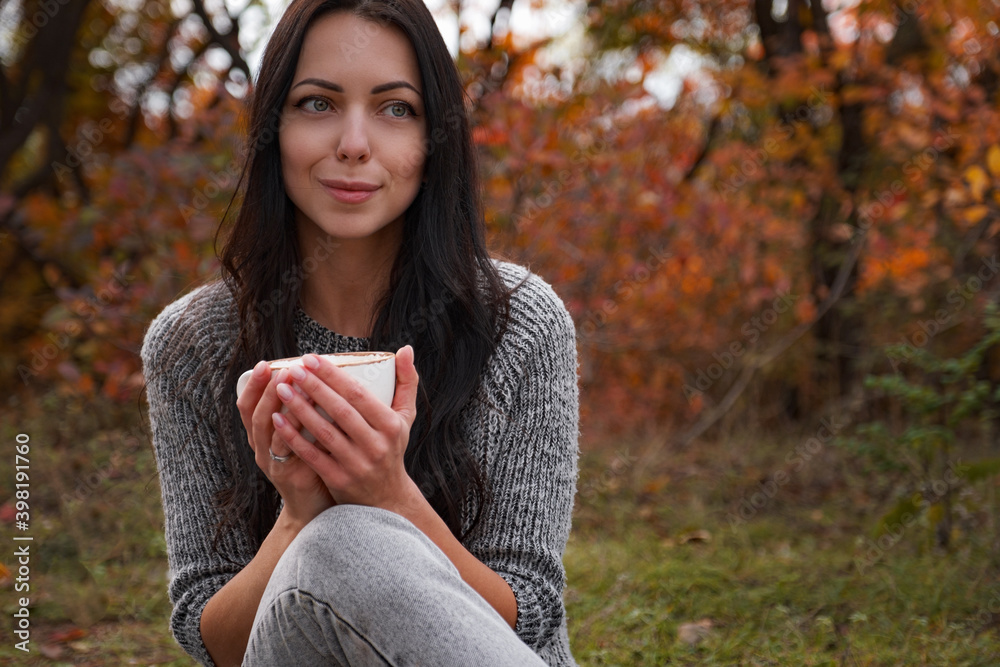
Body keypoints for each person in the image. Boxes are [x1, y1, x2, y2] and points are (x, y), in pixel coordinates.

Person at [140, 0, 579, 665]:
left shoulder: (518, 321)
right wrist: (298, 517)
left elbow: (530, 616)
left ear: (435, 141)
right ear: (272, 130)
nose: (353, 142)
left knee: (350, 536)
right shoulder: (192, 341)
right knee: (332, 539)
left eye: (395, 108)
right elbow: (215, 644)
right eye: (317, 104)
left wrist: (388, 497)